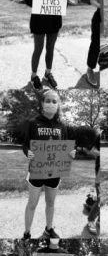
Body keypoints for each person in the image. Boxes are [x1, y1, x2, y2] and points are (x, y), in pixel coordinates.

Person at [23, 88, 77, 242]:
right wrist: (28, 153)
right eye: (48, 101)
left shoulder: (62, 126)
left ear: (58, 104)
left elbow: (65, 148)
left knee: (51, 202)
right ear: (42, 103)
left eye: (55, 101)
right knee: (32, 203)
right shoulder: (33, 123)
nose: (51, 104)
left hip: (55, 172)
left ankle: (49, 228)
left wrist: (71, 154)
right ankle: (27, 233)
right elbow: (25, 145)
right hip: (36, 171)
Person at [25, 0, 69, 91]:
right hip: (38, 20)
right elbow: (28, 0)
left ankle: (48, 73)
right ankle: (33, 76)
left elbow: (63, 3)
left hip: (54, 21)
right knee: (38, 48)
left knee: (50, 48)